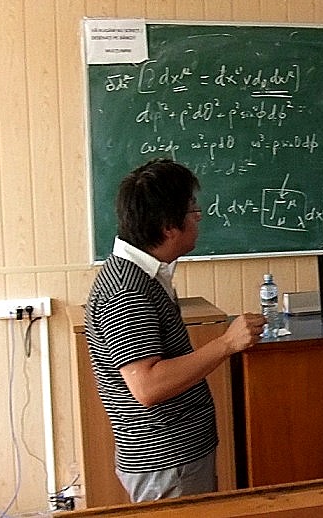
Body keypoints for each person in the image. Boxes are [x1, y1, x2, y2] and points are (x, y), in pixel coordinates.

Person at [84, 158, 266, 503]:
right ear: (169, 227)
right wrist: (227, 343)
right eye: (192, 210)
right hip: (166, 463)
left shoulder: (147, 275)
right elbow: (148, 386)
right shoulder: (126, 290)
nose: (198, 218)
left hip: (176, 458)